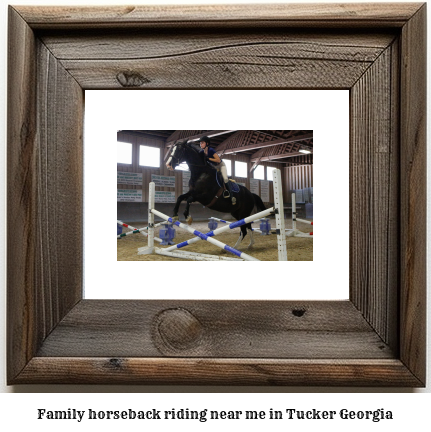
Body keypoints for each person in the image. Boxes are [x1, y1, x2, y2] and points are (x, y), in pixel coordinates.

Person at [199, 136, 236, 205]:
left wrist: (208, 159)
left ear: (207, 143)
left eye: (202, 143)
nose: (201, 144)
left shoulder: (211, 150)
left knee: (225, 178)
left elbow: (218, 160)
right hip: (213, 167)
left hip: (221, 165)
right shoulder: (202, 152)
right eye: (200, 143)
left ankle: (231, 196)